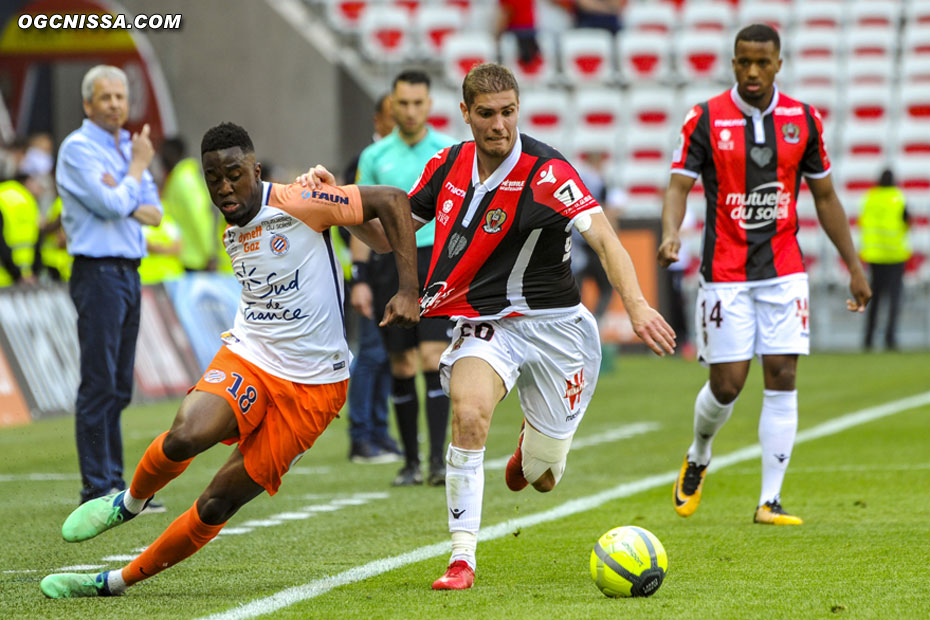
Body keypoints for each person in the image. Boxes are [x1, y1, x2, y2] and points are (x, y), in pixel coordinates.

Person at [301, 63, 675, 590]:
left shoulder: (549, 173)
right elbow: (388, 236)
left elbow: (607, 241)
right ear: (465, 114)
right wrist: (337, 199)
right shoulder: (448, 164)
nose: (499, 124)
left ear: (518, 110)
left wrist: (635, 305)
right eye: (486, 114)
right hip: (488, 322)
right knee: (470, 414)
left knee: (543, 478)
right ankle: (461, 560)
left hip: (558, 330)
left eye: (508, 112)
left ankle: (533, 449)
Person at [39, 121, 420, 599]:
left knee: (217, 502)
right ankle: (129, 503)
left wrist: (409, 290)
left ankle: (114, 582)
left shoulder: (299, 201)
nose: (224, 187)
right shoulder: (233, 224)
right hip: (251, 354)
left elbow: (392, 204)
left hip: (314, 386)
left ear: (255, 169)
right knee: (185, 435)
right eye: (213, 177)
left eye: (235, 174)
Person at [658, 24, 871, 527]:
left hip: (783, 270)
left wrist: (854, 266)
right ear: (733, 63)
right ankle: (699, 453)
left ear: (779, 64)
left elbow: (825, 197)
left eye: (762, 62)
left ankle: (769, 501)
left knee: (784, 376)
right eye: (742, 62)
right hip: (725, 271)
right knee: (729, 385)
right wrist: (671, 233)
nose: (751, 71)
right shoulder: (705, 118)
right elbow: (677, 187)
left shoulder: (803, 119)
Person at [55, 65, 164, 505]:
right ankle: (96, 486)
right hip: (97, 272)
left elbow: (154, 212)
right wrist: (134, 172)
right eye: (106, 98)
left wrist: (125, 187)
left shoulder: (125, 147)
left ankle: (114, 482)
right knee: (99, 382)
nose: (117, 104)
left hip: (127, 272)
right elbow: (111, 204)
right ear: (87, 104)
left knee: (119, 384)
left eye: (121, 96)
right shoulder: (78, 149)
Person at [354, 70, 457, 486]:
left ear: (429, 105)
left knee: (433, 358)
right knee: (402, 363)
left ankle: (436, 461)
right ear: (391, 105)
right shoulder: (374, 157)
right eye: (403, 103)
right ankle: (411, 462)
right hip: (388, 264)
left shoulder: (447, 152)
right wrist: (359, 277)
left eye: (418, 103)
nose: (411, 111)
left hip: (435, 260)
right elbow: (358, 218)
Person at [344, 92, 402, 464]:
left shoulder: (408, 158)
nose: (402, 121)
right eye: (393, 115)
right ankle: (360, 435)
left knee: (391, 356)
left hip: (397, 271)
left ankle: (379, 431)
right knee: (371, 353)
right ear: (378, 121)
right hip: (372, 272)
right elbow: (350, 221)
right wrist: (359, 274)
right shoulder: (363, 164)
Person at [859, 168, 910, 351]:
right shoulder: (898, 197)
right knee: (894, 299)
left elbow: (862, 222)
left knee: (873, 299)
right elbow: (907, 221)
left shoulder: (870, 198)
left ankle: (868, 338)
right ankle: (890, 338)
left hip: (874, 256)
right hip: (895, 255)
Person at [159, 136, 218, 272]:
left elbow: (198, 217)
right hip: (187, 257)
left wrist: (209, 253)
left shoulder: (184, 179)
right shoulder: (178, 178)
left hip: (196, 259)